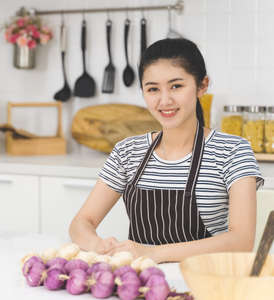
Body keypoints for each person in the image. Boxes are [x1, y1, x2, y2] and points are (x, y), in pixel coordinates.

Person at [69, 38, 264, 263]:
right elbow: (81, 222)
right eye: (153, 89)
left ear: (202, 86)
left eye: (176, 86)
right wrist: (98, 245)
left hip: (206, 283)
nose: (165, 100)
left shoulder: (233, 151)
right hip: (142, 284)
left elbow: (241, 242)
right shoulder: (128, 152)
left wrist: (154, 253)